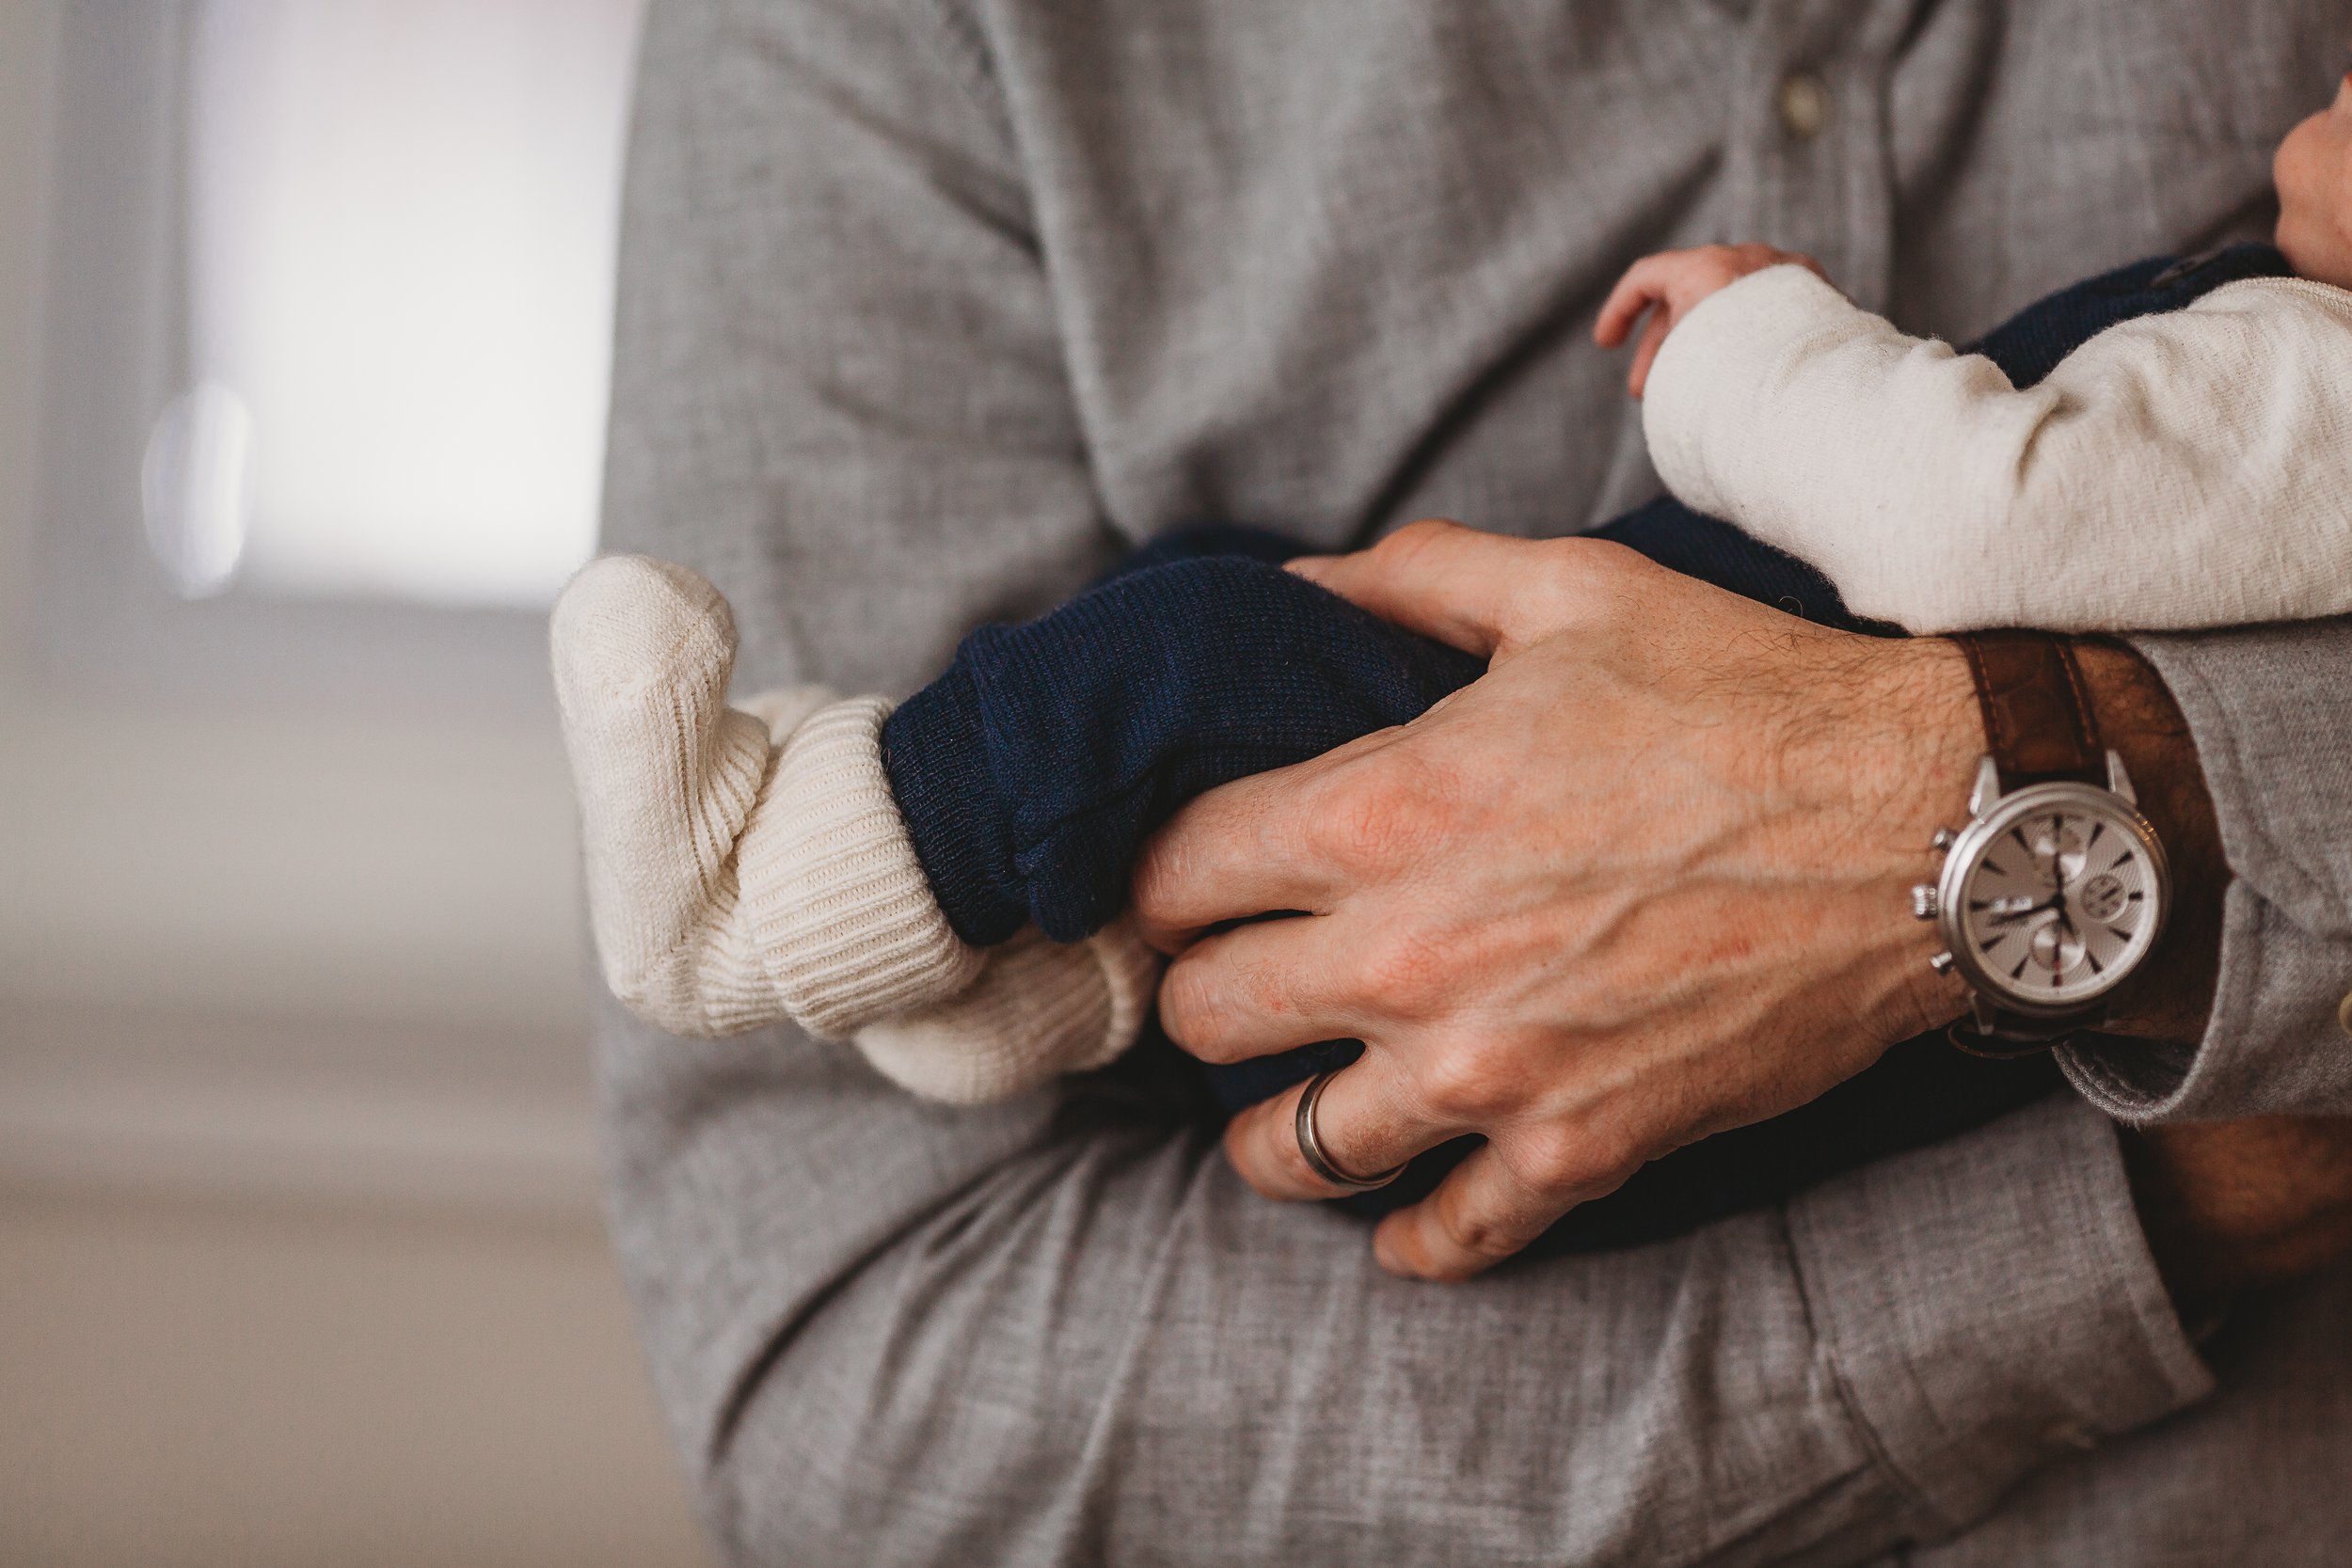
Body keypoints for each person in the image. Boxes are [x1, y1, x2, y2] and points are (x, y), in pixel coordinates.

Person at [595, 0, 2352, 1561]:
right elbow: (851, 1378)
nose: (2312, 116)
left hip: (1488, 1122)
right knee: (1210, 613)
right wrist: (2157, 1186)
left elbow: (1967, 499)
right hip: (1427, 1068)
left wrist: (1752, 353)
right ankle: (1068, 977)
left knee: (1194, 649)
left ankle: (787, 896)